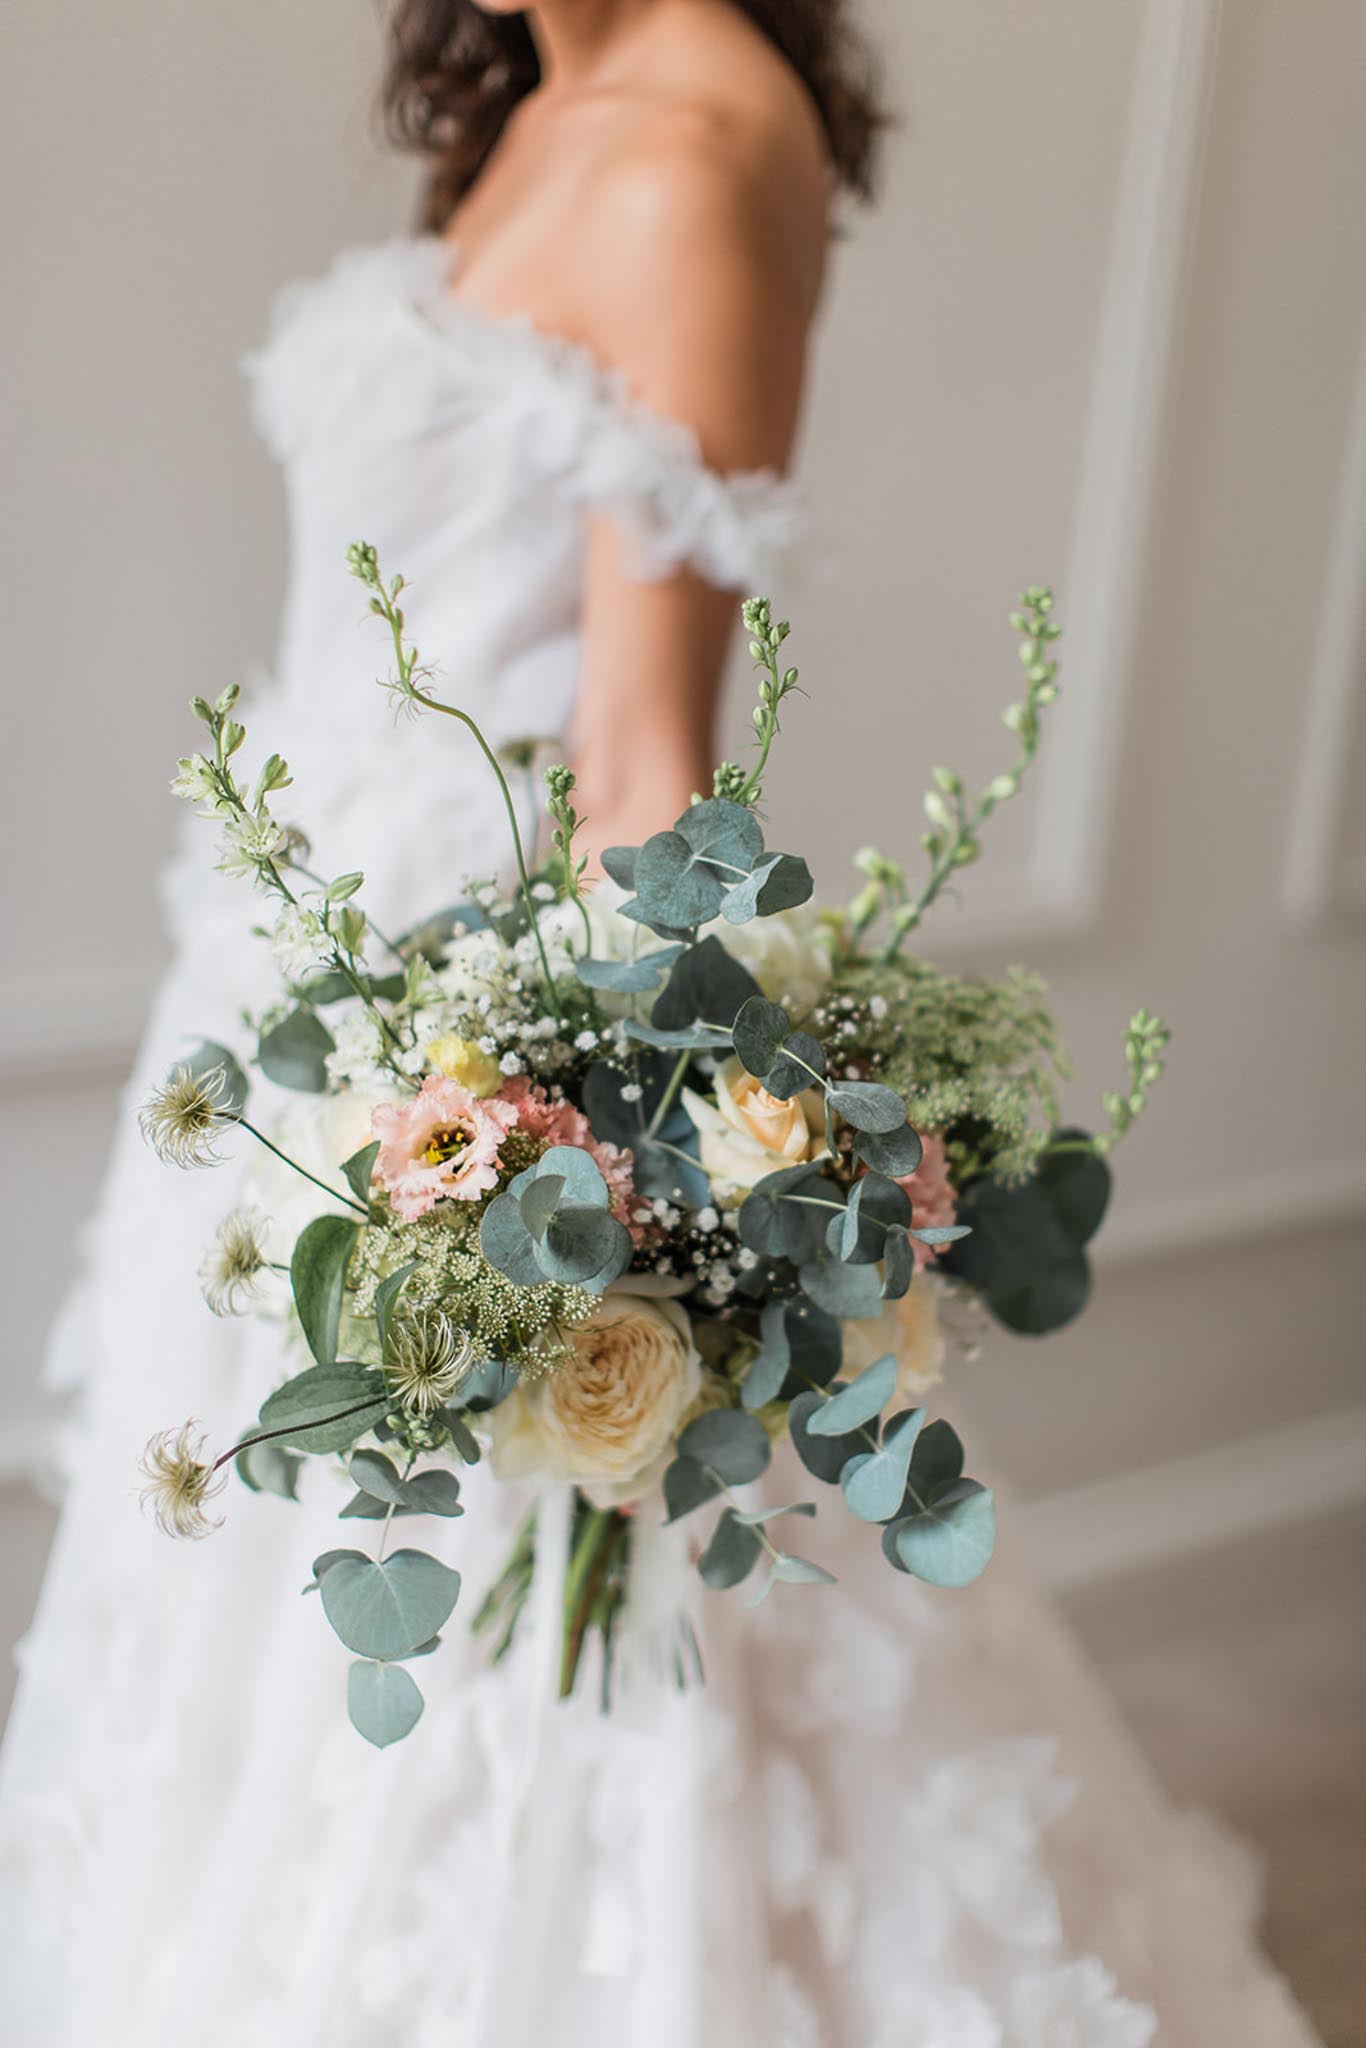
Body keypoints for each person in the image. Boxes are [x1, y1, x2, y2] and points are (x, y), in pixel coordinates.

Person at [0, 3, 1323, 2042]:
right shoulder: (541, 101)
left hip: (452, 1050)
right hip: (281, 982)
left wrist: (584, 1169)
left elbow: (637, 771)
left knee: (518, 1635)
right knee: (246, 1621)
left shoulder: (697, 142)